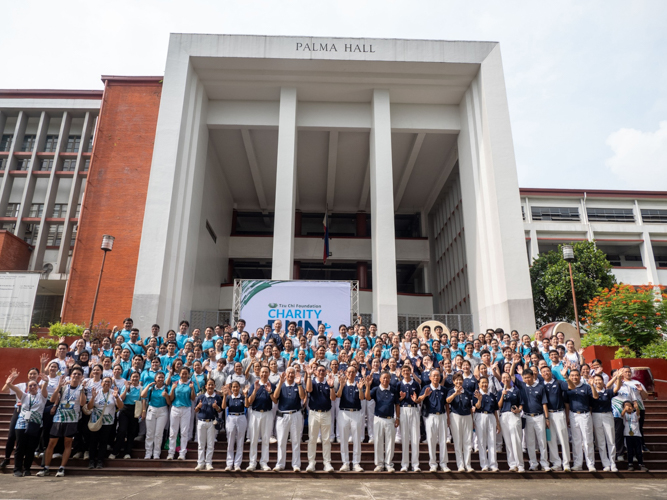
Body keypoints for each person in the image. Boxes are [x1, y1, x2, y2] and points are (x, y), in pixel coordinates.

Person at [37, 366, 87, 477]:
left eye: (79, 374)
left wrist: (83, 389)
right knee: (51, 443)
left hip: (72, 419)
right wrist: (58, 386)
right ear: (71, 375)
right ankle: (45, 468)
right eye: (74, 374)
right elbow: (52, 399)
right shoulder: (64, 387)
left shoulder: (82, 388)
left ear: (82, 377)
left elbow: (83, 403)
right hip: (59, 418)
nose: (76, 376)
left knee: (68, 443)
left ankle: (62, 468)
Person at [4, 370, 48, 476]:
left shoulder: (42, 396)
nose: (32, 387)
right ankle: (17, 469)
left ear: (38, 386)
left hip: (35, 424)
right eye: (30, 386)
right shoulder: (24, 396)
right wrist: (9, 381)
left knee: (31, 447)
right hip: (21, 424)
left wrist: (46, 382)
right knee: (20, 447)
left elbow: (45, 389)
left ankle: (27, 469)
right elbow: (12, 387)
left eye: (34, 385)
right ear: (27, 388)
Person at [514, 368, 550, 471]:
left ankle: (544, 463)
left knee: (542, 441)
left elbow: (544, 403)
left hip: (539, 416)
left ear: (533, 376)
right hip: (527, 416)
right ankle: (533, 463)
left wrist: (547, 418)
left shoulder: (540, 387)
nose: (527, 380)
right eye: (525, 378)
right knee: (530, 442)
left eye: (529, 377)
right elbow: (512, 376)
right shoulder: (522, 387)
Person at [272, 367, 306, 471]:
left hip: (295, 414)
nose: (291, 375)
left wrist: (299, 384)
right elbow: (275, 397)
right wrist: (280, 383)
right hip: (283, 415)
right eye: (289, 373)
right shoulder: (281, 385)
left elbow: (302, 396)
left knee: (296, 441)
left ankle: (296, 465)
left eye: (292, 373)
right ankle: (280, 464)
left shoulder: (298, 384)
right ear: (285, 374)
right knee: (282, 441)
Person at [86, 376, 124, 469]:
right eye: (105, 381)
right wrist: (93, 397)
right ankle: (91, 461)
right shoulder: (97, 392)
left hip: (108, 422)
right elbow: (89, 407)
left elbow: (121, 406)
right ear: (101, 383)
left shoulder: (113, 393)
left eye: (109, 382)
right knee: (93, 442)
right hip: (96, 421)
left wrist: (117, 397)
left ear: (111, 384)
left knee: (103, 442)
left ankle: (100, 461)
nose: (107, 383)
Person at [366, 371, 400, 472]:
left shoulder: (393, 390)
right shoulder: (376, 389)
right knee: (378, 442)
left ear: (390, 379)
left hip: (390, 419)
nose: (385, 380)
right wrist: (367, 386)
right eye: (383, 378)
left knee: (390, 442)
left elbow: (397, 404)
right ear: (380, 379)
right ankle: (379, 464)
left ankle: (389, 463)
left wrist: (397, 418)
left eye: (387, 378)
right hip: (378, 418)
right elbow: (367, 397)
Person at [305, 364, 336, 472]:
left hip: (326, 413)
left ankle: (327, 463)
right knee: (312, 439)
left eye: (323, 370)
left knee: (326, 440)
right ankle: (311, 463)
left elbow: (333, 398)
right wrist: (308, 375)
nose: (321, 372)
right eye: (319, 371)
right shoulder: (312, 381)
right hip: (314, 413)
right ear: (316, 372)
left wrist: (331, 386)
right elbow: (308, 390)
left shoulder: (329, 382)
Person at [540, 364, 571, 472]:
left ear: (551, 372)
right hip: (547, 415)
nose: (546, 373)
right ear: (541, 374)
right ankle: (556, 463)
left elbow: (570, 386)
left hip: (559, 413)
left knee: (563, 438)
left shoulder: (558, 382)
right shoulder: (541, 385)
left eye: (547, 371)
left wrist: (566, 376)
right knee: (551, 439)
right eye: (543, 372)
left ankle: (566, 463)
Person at [566, 369, 598, 472]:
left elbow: (595, 397)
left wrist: (592, 386)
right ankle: (577, 464)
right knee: (576, 441)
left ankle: (590, 464)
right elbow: (566, 404)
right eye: (572, 375)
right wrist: (567, 417)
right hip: (573, 415)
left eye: (576, 375)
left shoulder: (586, 387)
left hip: (585, 415)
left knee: (587, 440)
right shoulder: (568, 388)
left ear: (580, 376)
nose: (574, 377)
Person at [337, 366, 367, 472]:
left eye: (352, 372)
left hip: (356, 413)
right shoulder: (342, 383)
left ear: (355, 373)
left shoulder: (358, 384)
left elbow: (362, 398)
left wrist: (360, 389)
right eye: (349, 372)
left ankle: (356, 463)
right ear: (346, 373)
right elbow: (338, 395)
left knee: (356, 439)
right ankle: (345, 463)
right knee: (344, 439)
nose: (350, 374)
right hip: (344, 412)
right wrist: (341, 385)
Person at [246, 366, 276, 471]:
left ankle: (264, 462)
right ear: (259, 373)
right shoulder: (254, 385)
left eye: (266, 372)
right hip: (255, 413)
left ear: (269, 373)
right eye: (262, 372)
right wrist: (255, 390)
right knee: (254, 439)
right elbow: (249, 401)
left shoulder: (272, 385)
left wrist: (270, 391)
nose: (264, 374)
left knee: (265, 439)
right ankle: (252, 463)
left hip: (267, 413)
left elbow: (275, 401)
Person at [592, 372, 622, 472]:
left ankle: (613, 463)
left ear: (603, 381)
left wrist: (618, 378)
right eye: (596, 380)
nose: (598, 382)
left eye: (599, 380)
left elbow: (616, 389)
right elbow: (594, 399)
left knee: (610, 440)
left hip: (607, 415)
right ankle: (606, 464)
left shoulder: (608, 391)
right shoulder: (592, 391)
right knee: (600, 442)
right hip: (596, 415)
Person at [446, 372, 474, 472]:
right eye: (456, 380)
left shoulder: (467, 392)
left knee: (467, 441)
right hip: (455, 416)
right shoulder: (450, 391)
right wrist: (455, 394)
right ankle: (460, 465)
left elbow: (470, 407)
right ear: (453, 382)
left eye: (460, 380)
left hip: (467, 417)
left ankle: (468, 464)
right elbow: (448, 401)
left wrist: (472, 419)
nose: (458, 382)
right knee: (458, 442)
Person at [166, 367, 196, 460]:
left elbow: (193, 398)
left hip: (186, 409)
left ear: (188, 374)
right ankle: (171, 453)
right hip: (175, 408)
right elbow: (171, 399)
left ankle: (182, 453)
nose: (184, 375)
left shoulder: (191, 384)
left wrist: (192, 389)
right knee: (173, 432)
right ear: (179, 374)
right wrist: (172, 389)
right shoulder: (175, 383)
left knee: (184, 432)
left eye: (186, 373)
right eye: (182, 373)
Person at [111, 371, 142, 459]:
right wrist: (126, 388)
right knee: (122, 430)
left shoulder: (141, 388)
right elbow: (121, 398)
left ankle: (127, 452)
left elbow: (143, 400)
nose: (134, 379)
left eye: (136, 377)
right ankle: (115, 451)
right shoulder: (126, 386)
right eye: (133, 377)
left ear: (139, 378)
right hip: (124, 409)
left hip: (135, 410)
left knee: (131, 433)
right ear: (130, 378)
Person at [497, 372, 524, 472]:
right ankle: (512, 464)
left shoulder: (516, 391)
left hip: (514, 415)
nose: (505, 379)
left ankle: (520, 464)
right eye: (503, 377)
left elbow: (521, 404)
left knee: (516, 440)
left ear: (510, 379)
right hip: (504, 416)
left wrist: (519, 410)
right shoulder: (500, 391)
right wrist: (502, 395)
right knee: (508, 442)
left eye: (507, 377)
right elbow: (499, 406)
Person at [473, 376, 500, 472]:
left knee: (492, 440)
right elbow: (476, 407)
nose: (484, 384)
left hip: (491, 416)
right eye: (482, 382)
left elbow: (495, 410)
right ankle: (484, 464)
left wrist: (498, 423)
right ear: (479, 384)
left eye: (486, 382)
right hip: (480, 416)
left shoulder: (492, 395)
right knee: (481, 441)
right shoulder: (476, 394)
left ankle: (493, 464)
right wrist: (479, 399)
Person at [194, 379, 223, 471]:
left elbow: (220, 411)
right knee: (201, 444)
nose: (210, 386)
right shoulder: (201, 397)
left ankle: (208, 463)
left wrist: (216, 407)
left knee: (210, 444)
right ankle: (200, 463)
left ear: (214, 386)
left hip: (211, 422)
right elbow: (195, 410)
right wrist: (198, 407)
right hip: (201, 422)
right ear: (206, 386)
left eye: (212, 385)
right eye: (208, 385)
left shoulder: (217, 398)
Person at [397, 363, 421, 472]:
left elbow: (419, 399)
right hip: (403, 409)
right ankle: (405, 464)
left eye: (408, 371)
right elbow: (396, 401)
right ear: (401, 373)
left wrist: (416, 400)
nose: (406, 373)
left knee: (415, 437)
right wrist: (401, 398)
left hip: (414, 409)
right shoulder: (399, 384)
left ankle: (415, 464)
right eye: (404, 371)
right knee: (405, 437)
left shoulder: (415, 384)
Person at [141, 373, 169, 459]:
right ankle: (148, 453)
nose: (160, 379)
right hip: (151, 410)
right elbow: (142, 395)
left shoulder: (167, 388)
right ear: (155, 379)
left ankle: (156, 453)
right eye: (159, 377)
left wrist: (166, 396)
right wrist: (149, 385)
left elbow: (169, 402)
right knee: (150, 433)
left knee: (158, 433)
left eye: (162, 377)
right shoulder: (152, 388)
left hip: (162, 411)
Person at [221, 381, 247, 471]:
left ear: (239, 388)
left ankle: (237, 464)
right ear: (231, 388)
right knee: (230, 441)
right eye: (233, 387)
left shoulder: (242, 397)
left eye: (237, 387)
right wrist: (224, 396)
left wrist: (246, 395)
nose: (235, 389)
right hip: (231, 417)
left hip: (241, 417)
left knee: (240, 441)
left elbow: (246, 405)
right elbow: (223, 407)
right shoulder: (229, 397)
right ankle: (229, 464)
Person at [622, 400, 648, 471]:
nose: (629, 408)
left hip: (637, 435)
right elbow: (622, 414)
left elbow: (638, 412)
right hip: (628, 435)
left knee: (638, 450)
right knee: (630, 451)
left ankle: (641, 464)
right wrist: (625, 409)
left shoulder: (635, 414)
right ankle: (630, 464)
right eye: (627, 406)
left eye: (630, 406)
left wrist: (637, 407)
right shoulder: (625, 415)